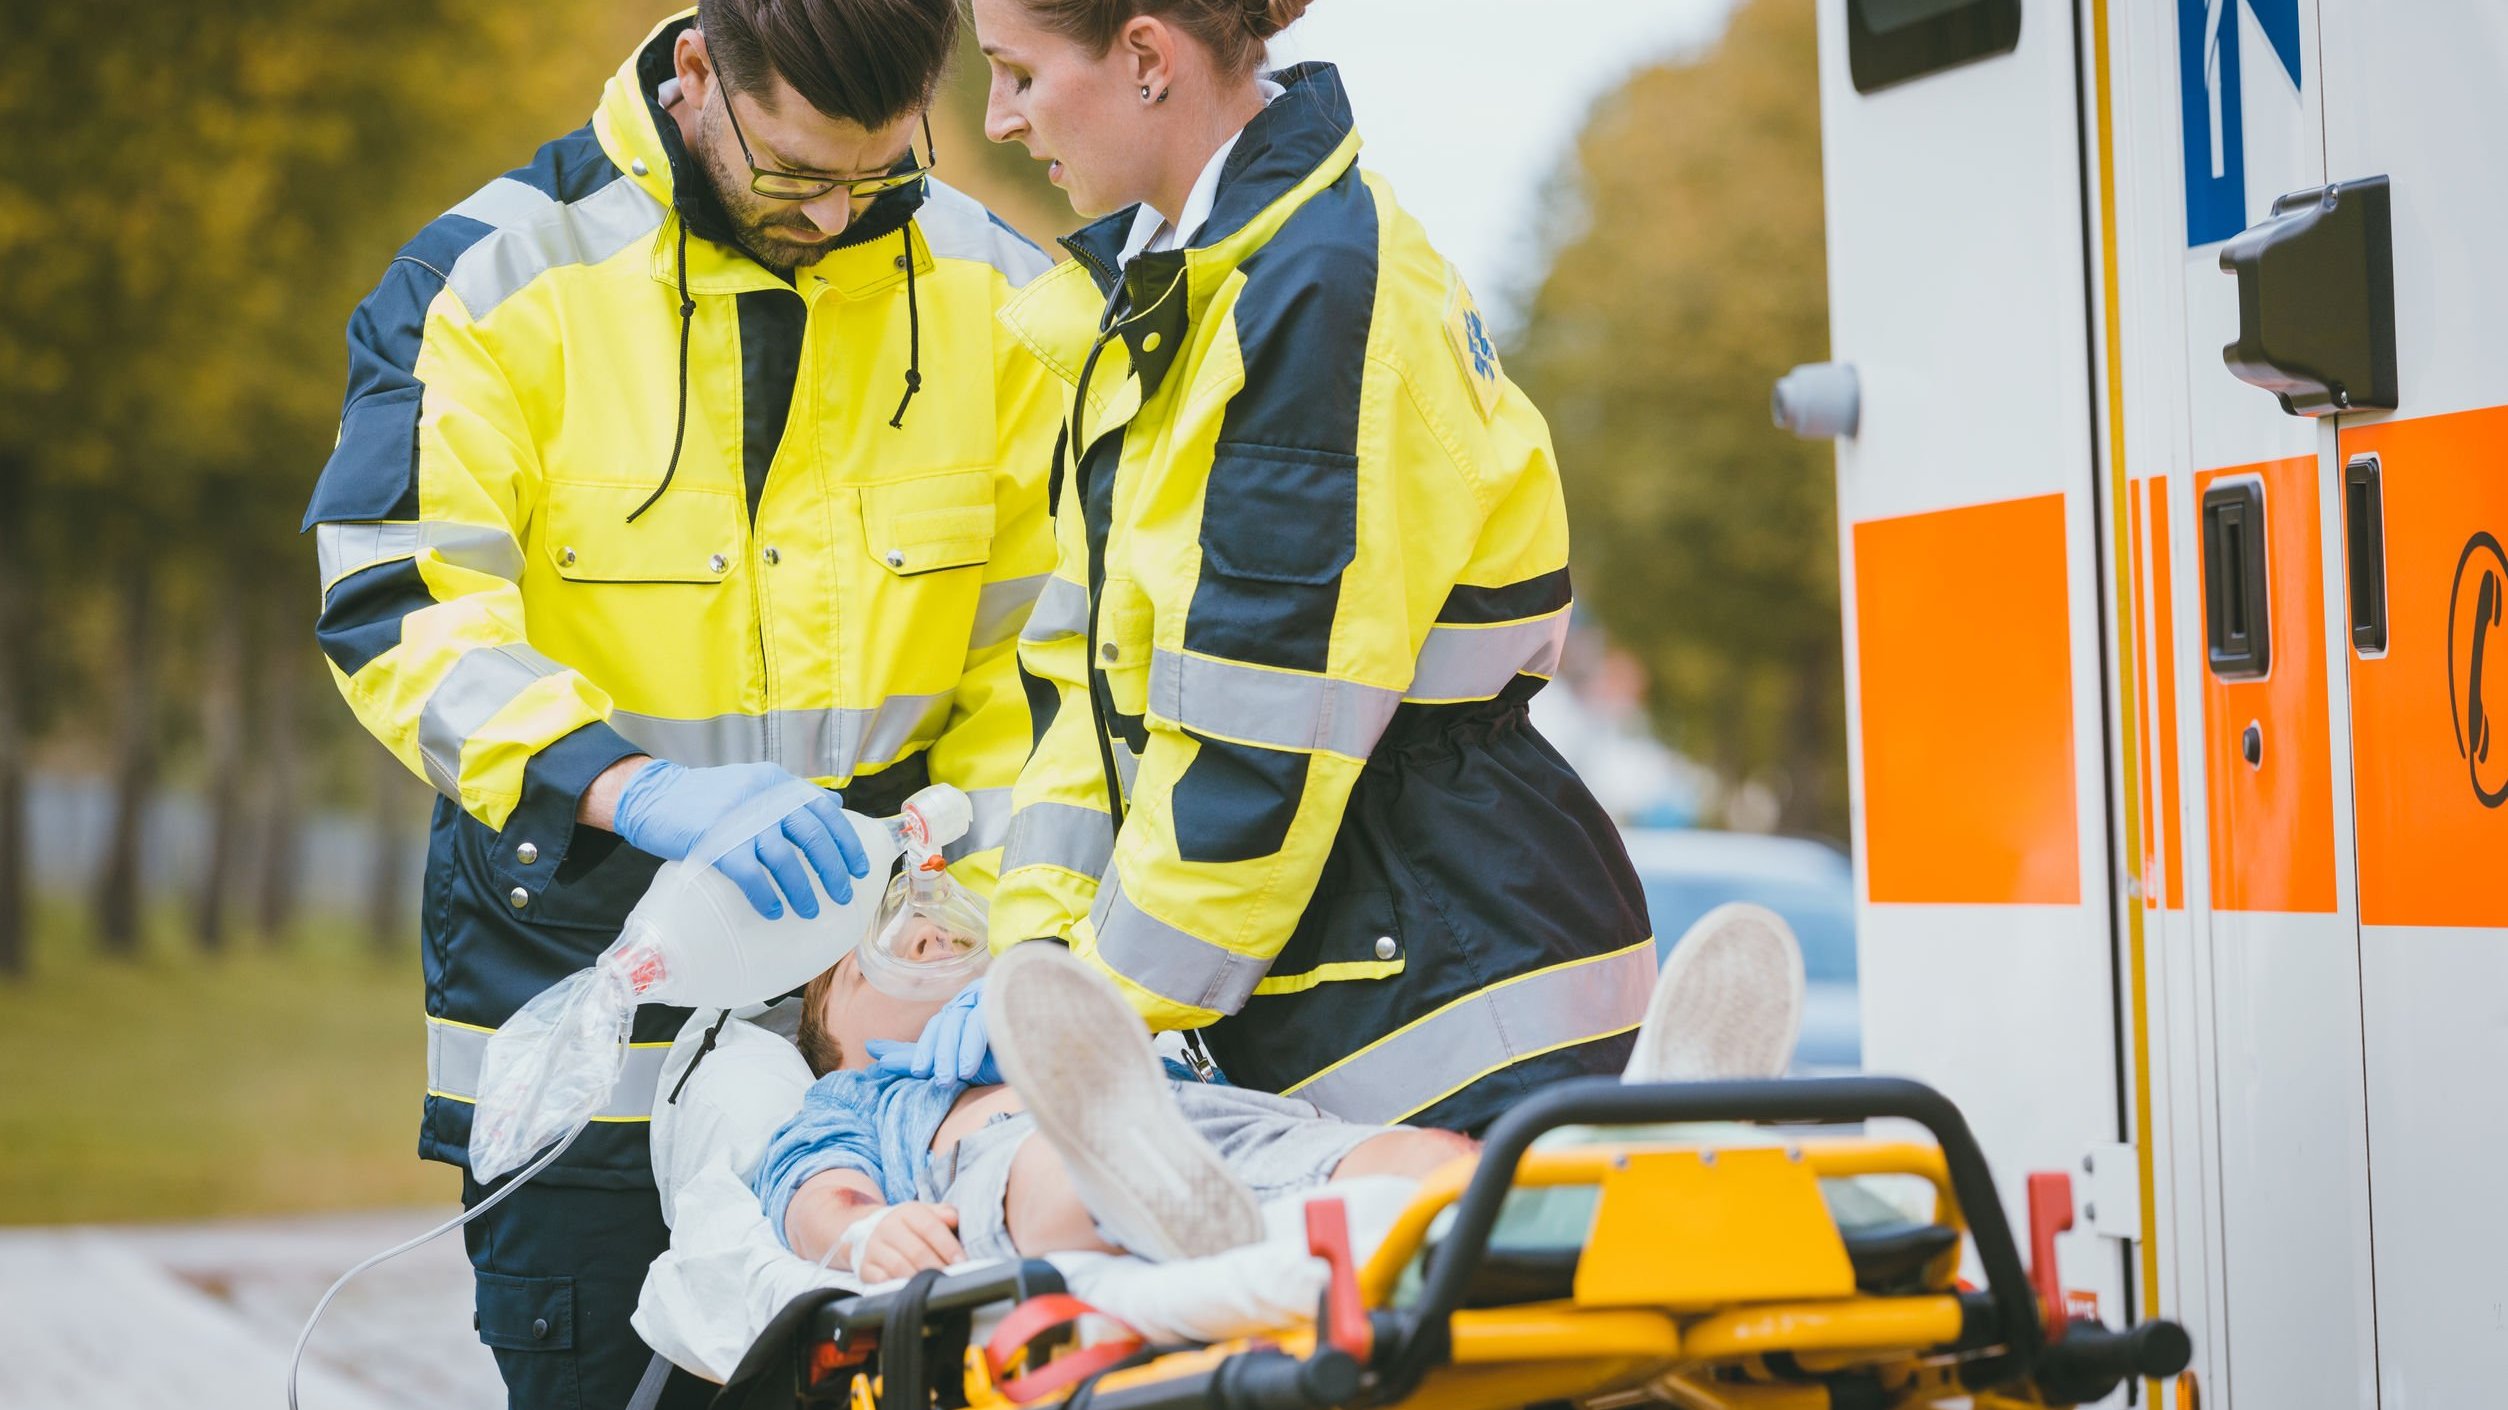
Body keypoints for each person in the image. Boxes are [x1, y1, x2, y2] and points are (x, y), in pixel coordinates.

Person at [301, 1, 1062, 1402]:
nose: (834, 216)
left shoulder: (1009, 300)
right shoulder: (487, 278)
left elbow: (1049, 674)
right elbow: (399, 601)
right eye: (794, 173)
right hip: (587, 1031)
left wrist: (990, 934)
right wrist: (623, 782)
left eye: (879, 171)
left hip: (887, 1069)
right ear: (698, 70)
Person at [939, 0, 1659, 1135]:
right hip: (1376, 996)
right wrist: (1032, 967)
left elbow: (1253, 749)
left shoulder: (1315, 294)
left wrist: (1078, 1014)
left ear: (1142, 58)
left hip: (1460, 1018)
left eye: (1019, 75)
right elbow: (1083, 699)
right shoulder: (1175, 297)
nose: (1000, 120)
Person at [753, 904, 1805, 1278]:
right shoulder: (858, 1103)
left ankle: (1639, 1156)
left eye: (947, 933)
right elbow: (813, 1191)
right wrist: (857, 1236)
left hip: (1201, 1120)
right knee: (1051, 1173)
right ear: (833, 1040)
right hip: (1017, 1153)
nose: (929, 939)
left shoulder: (1078, 1022)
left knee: (1417, 1165)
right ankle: (1138, 1190)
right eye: (870, 964)